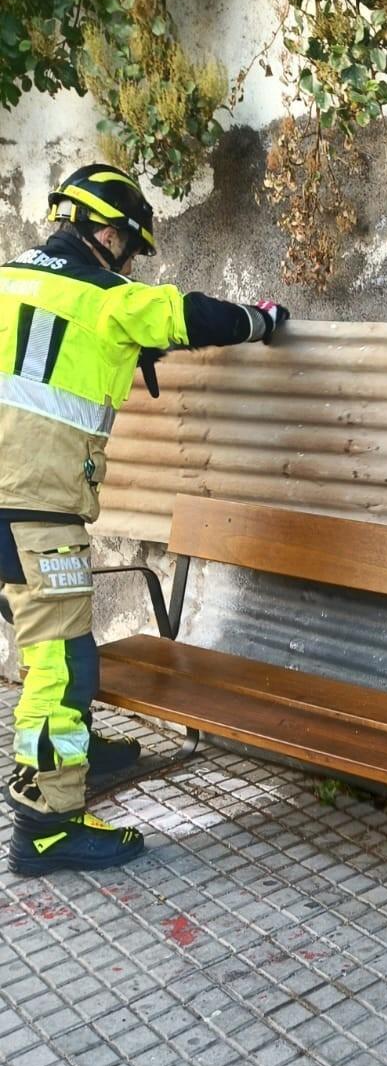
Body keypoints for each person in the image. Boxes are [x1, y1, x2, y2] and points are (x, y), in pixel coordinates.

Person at [0, 163, 289, 876]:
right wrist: (263, 320)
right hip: (36, 513)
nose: (129, 263)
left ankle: (81, 755)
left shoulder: (8, 280)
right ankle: (47, 823)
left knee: (49, 643)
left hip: (9, 513)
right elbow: (193, 314)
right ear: (107, 233)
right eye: (130, 248)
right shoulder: (109, 299)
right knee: (62, 663)